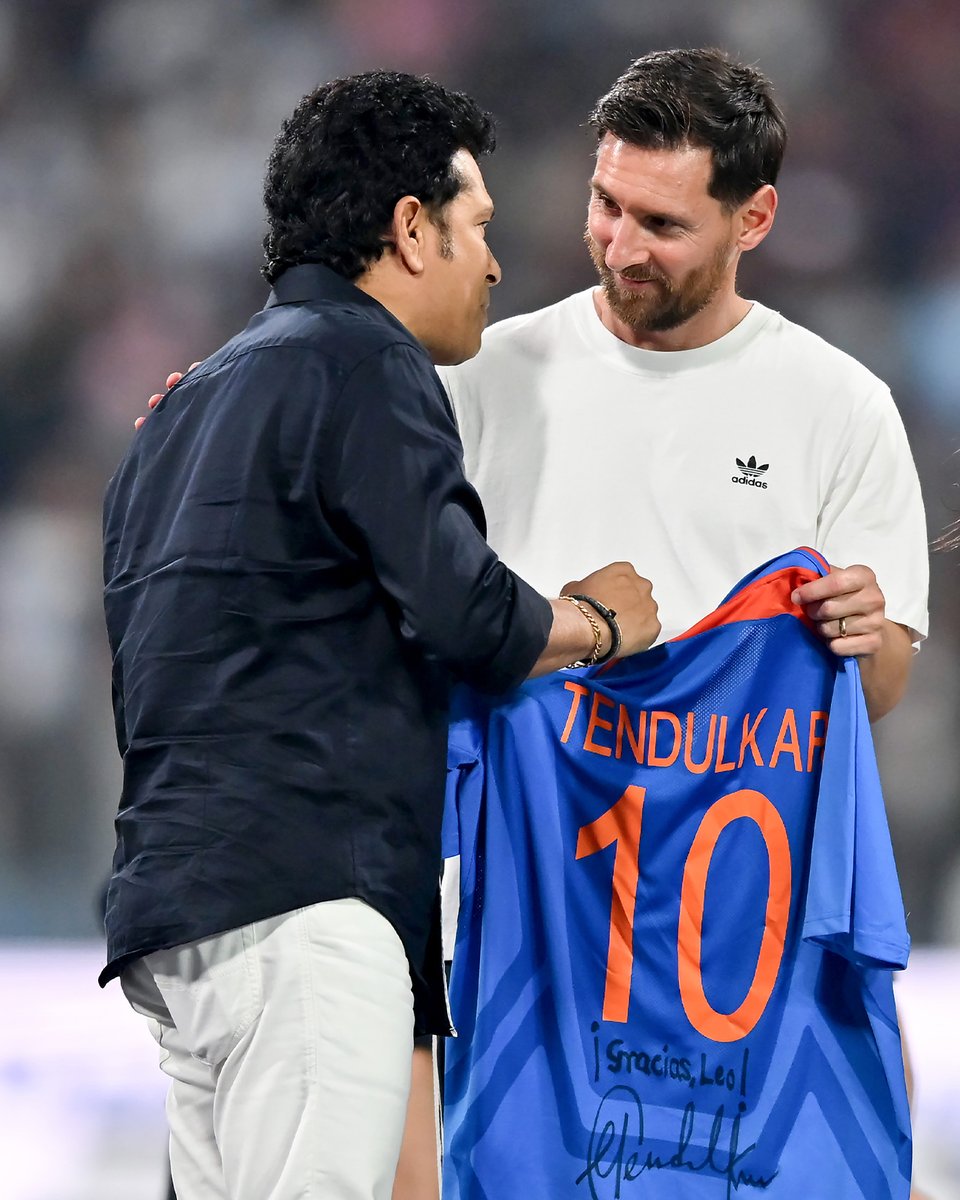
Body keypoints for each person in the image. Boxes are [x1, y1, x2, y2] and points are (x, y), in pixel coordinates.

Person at [100, 70, 661, 1200]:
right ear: (412, 230)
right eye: (478, 227)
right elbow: (467, 615)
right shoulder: (368, 363)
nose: (496, 265)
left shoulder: (178, 411)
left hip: (178, 915)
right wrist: (599, 625)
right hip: (307, 903)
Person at [435, 45, 928, 1197]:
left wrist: (862, 636)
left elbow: (887, 677)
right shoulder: (488, 378)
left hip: (740, 934)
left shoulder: (839, 407)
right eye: (607, 204)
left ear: (754, 218)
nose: (618, 244)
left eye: (662, 223)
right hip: (536, 922)